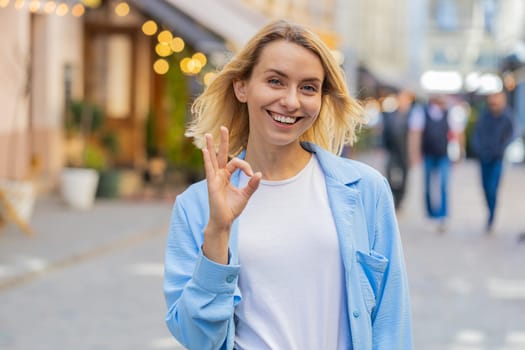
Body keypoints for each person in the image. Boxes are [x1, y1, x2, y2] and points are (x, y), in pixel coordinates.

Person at [163, 19, 413, 350]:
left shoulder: (366, 190)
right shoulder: (196, 207)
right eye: (275, 81)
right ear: (242, 87)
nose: (291, 101)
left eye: (308, 87)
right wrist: (218, 234)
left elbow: (390, 322)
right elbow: (197, 339)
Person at [408, 94, 463, 232]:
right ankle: (430, 212)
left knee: (444, 184)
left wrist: (459, 153)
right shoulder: (421, 112)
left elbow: (458, 134)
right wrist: (414, 152)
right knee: (427, 184)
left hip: (444, 154)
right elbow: (415, 133)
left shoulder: (450, 113)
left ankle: (442, 214)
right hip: (428, 154)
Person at [470, 90, 514, 233]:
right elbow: (476, 134)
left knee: (492, 188)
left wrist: (501, 148)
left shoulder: (507, 117)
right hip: (484, 157)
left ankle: (491, 216)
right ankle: (490, 212)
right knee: (484, 187)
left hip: (497, 158)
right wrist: (478, 148)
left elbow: (512, 135)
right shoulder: (484, 115)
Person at [381, 89, 414, 210]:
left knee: (404, 177)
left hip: (405, 152)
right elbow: (385, 132)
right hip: (392, 150)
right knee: (389, 174)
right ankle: (393, 197)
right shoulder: (391, 115)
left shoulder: (412, 116)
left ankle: (399, 201)